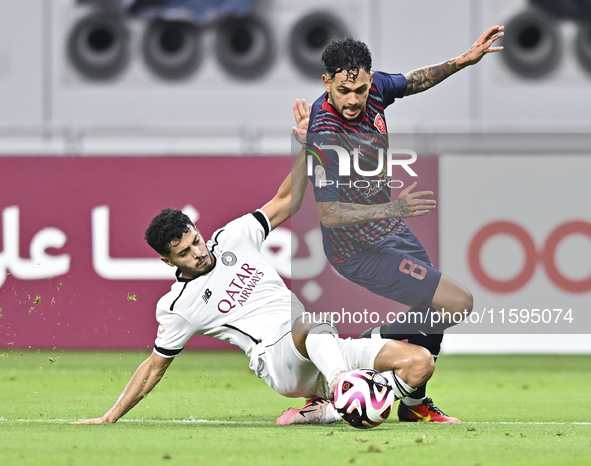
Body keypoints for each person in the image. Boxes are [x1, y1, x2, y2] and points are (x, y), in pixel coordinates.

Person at [73, 100, 435, 426]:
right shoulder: (178, 305)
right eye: (184, 253)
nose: (198, 252)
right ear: (167, 261)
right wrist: (110, 417)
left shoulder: (233, 237)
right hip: (279, 359)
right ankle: (344, 386)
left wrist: (308, 148)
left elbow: (285, 202)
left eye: (195, 241)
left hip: (319, 343)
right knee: (309, 323)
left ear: (198, 231)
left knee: (421, 363)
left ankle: (325, 409)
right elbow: (154, 366)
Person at [297, 26, 504, 423]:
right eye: (343, 92)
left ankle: (413, 404)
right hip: (356, 249)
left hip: (389, 233)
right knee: (457, 303)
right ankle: (358, 352)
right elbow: (329, 214)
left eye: (359, 90)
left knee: (433, 305)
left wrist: (462, 61)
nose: (353, 100)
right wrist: (394, 210)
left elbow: (415, 80)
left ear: (369, 79)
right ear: (327, 83)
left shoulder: (375, 91)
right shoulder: (324, 134)